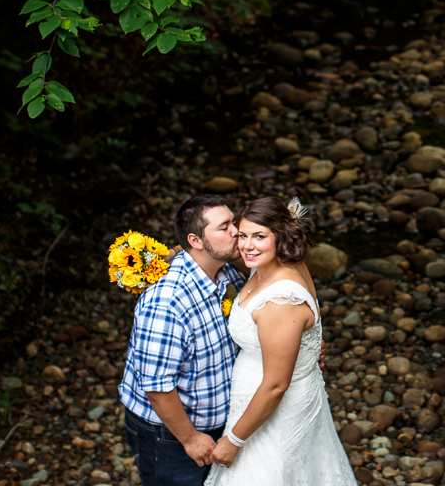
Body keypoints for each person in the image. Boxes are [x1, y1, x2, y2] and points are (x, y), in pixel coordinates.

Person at [204, 197, 357, 486]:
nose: (247, 246)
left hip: (275, 413)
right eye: (242, 235)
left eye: (259, 237)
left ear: (281, 237)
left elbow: (276, 386)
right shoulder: (268, 263)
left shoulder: (281, 299)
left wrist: (235, 440)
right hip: (256, 403)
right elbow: (222, 251)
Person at [119, 194, 246, 486]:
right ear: (196, 241)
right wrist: (189, 438)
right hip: (171, 433)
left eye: (234, 223)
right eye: (225, 227)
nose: (236, 232)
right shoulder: (167, 302)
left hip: (220, 423)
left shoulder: (225, 272)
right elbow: (156, 385)